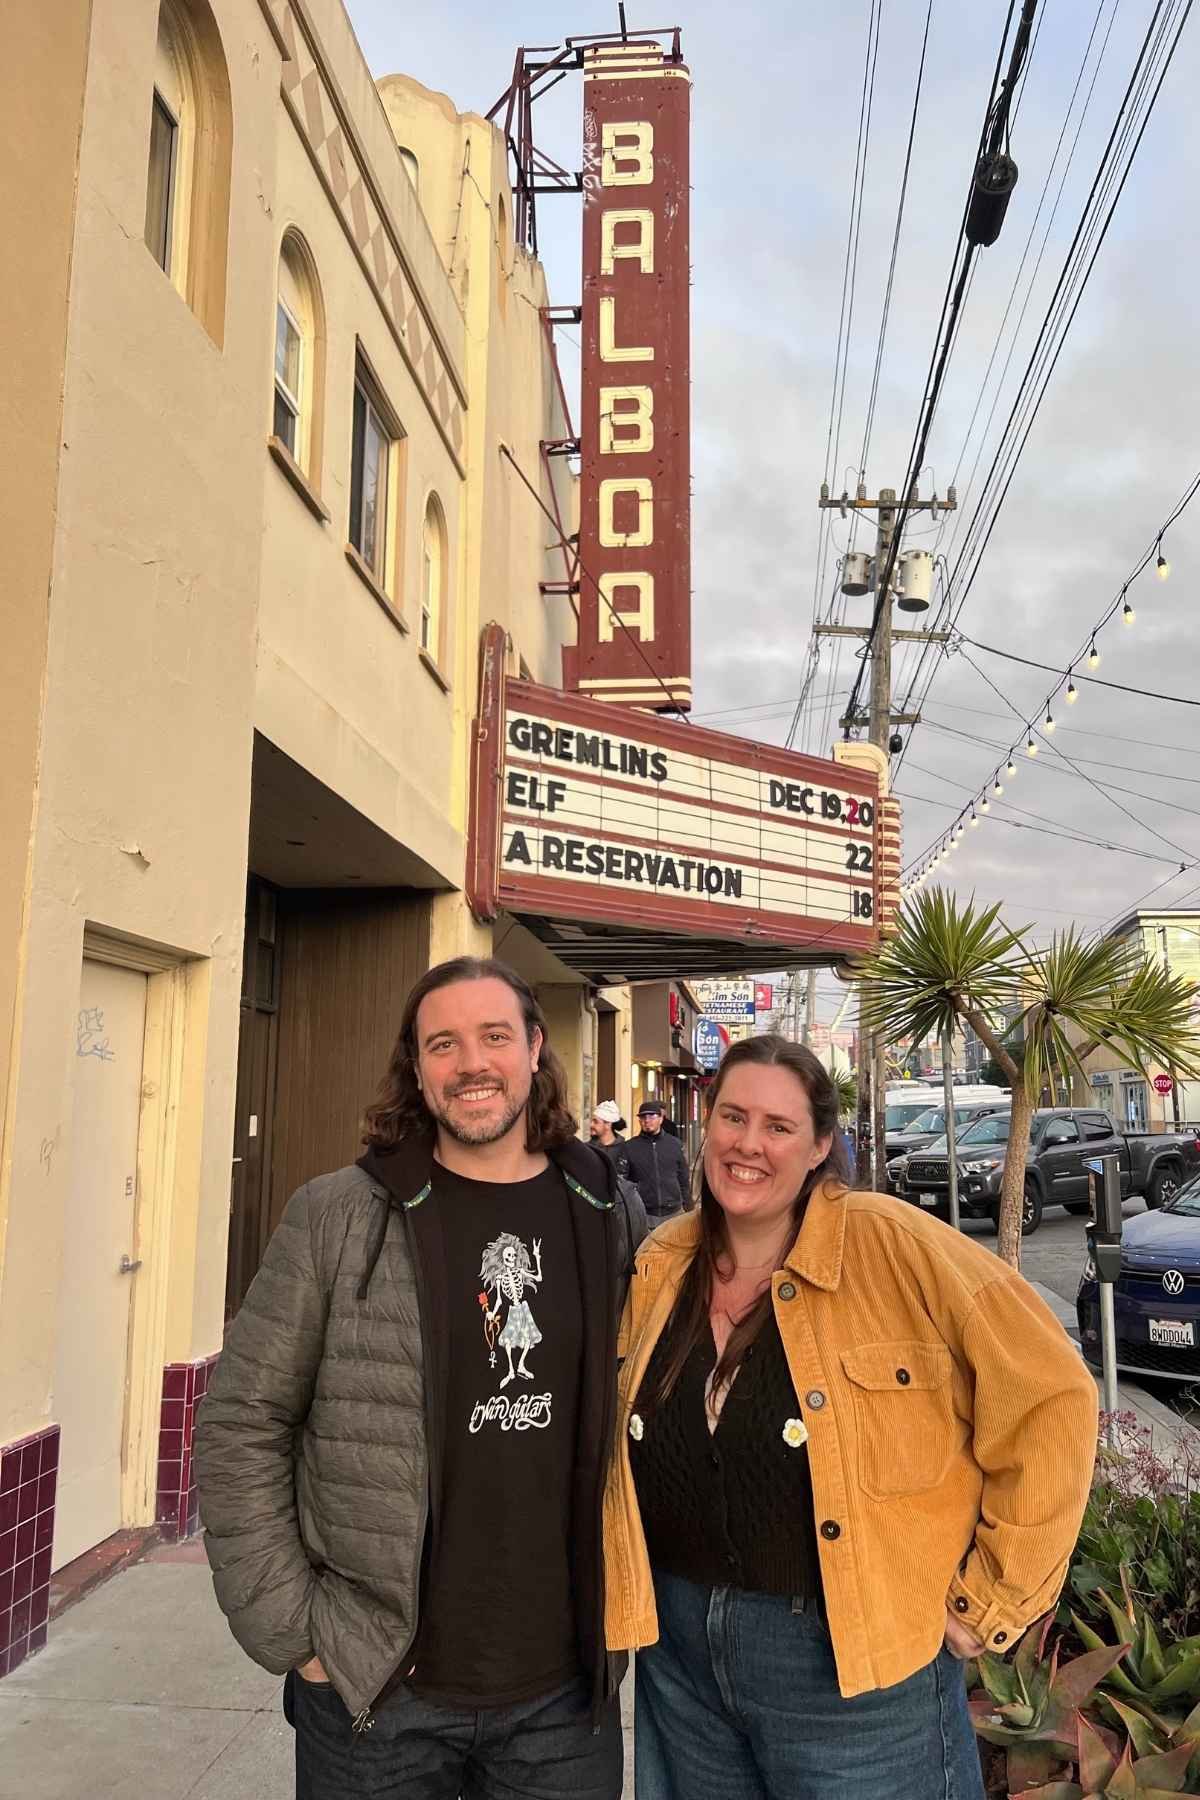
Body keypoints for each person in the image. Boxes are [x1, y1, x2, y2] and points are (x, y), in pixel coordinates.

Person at [196, 955, 646, 1800]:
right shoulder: (338, 1214)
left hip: (563, 1694)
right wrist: (297, 1636)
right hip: (377, 1693)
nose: (472, 1063)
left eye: (494, 1036)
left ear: (535, 1048)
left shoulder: (601, 1206)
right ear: (417, 1065)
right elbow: (240, 1423)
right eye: (444, 1043)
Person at [603, 1034, 1097, 1800]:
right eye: (733, 1118)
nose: (748, 1145)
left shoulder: (891, 1244)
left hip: (850, 1665)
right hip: (680, 1661)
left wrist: (992, 1599)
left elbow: (1052, 1393)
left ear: (820, 1146)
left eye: (778, 1127)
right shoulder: (665, 1259)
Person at [624, 1101, 691, 1224]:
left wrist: (689, 1208)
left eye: (652, 1116)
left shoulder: (675, 1144)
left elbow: (683, 1179)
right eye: (643, 1117)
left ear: (661, 1119)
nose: (647, 1120)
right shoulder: (629, 1147)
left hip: (674, 1213)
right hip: (644, 1214)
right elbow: (624, 1182)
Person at [590, 1100, 632, 1182]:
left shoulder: (626, 1149)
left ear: (608, 1124)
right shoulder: (588, 1148)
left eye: (595, 1122)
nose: (591, 1125)